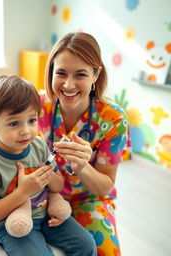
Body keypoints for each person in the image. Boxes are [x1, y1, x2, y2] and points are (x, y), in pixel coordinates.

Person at [0, 75, 96, 256]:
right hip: (13, 225)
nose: (26, 130)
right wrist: (23, 192)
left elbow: (57, 186)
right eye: (14, 123)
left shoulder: (39, 145)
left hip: (46, 214)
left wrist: (49, 176)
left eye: (32, 120)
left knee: (87, 244)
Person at [38, 32, 132, 256]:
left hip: (87, 199)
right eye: (61, 73)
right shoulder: (37, 106)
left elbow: (104, 186)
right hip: (42, 194)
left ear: (95, 74)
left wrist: (83, 166)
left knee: (106, 251)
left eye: (80, 74)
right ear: (51, 71)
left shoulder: (113, 120)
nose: (68, 85)